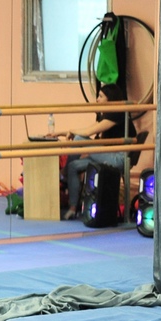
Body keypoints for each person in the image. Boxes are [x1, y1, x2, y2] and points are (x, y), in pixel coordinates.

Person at [55, 81, 130, 220]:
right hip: (107, 154)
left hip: (118, 158)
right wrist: (60, 132)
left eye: (100, 96)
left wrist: (71, 131)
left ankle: (63, 174)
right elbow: (86, 130)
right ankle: (73, 208)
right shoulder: (106, 115)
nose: (97, 99)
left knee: (79, 139)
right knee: (73, 166)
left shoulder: (117, 113)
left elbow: (88, 132)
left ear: (110, 98)